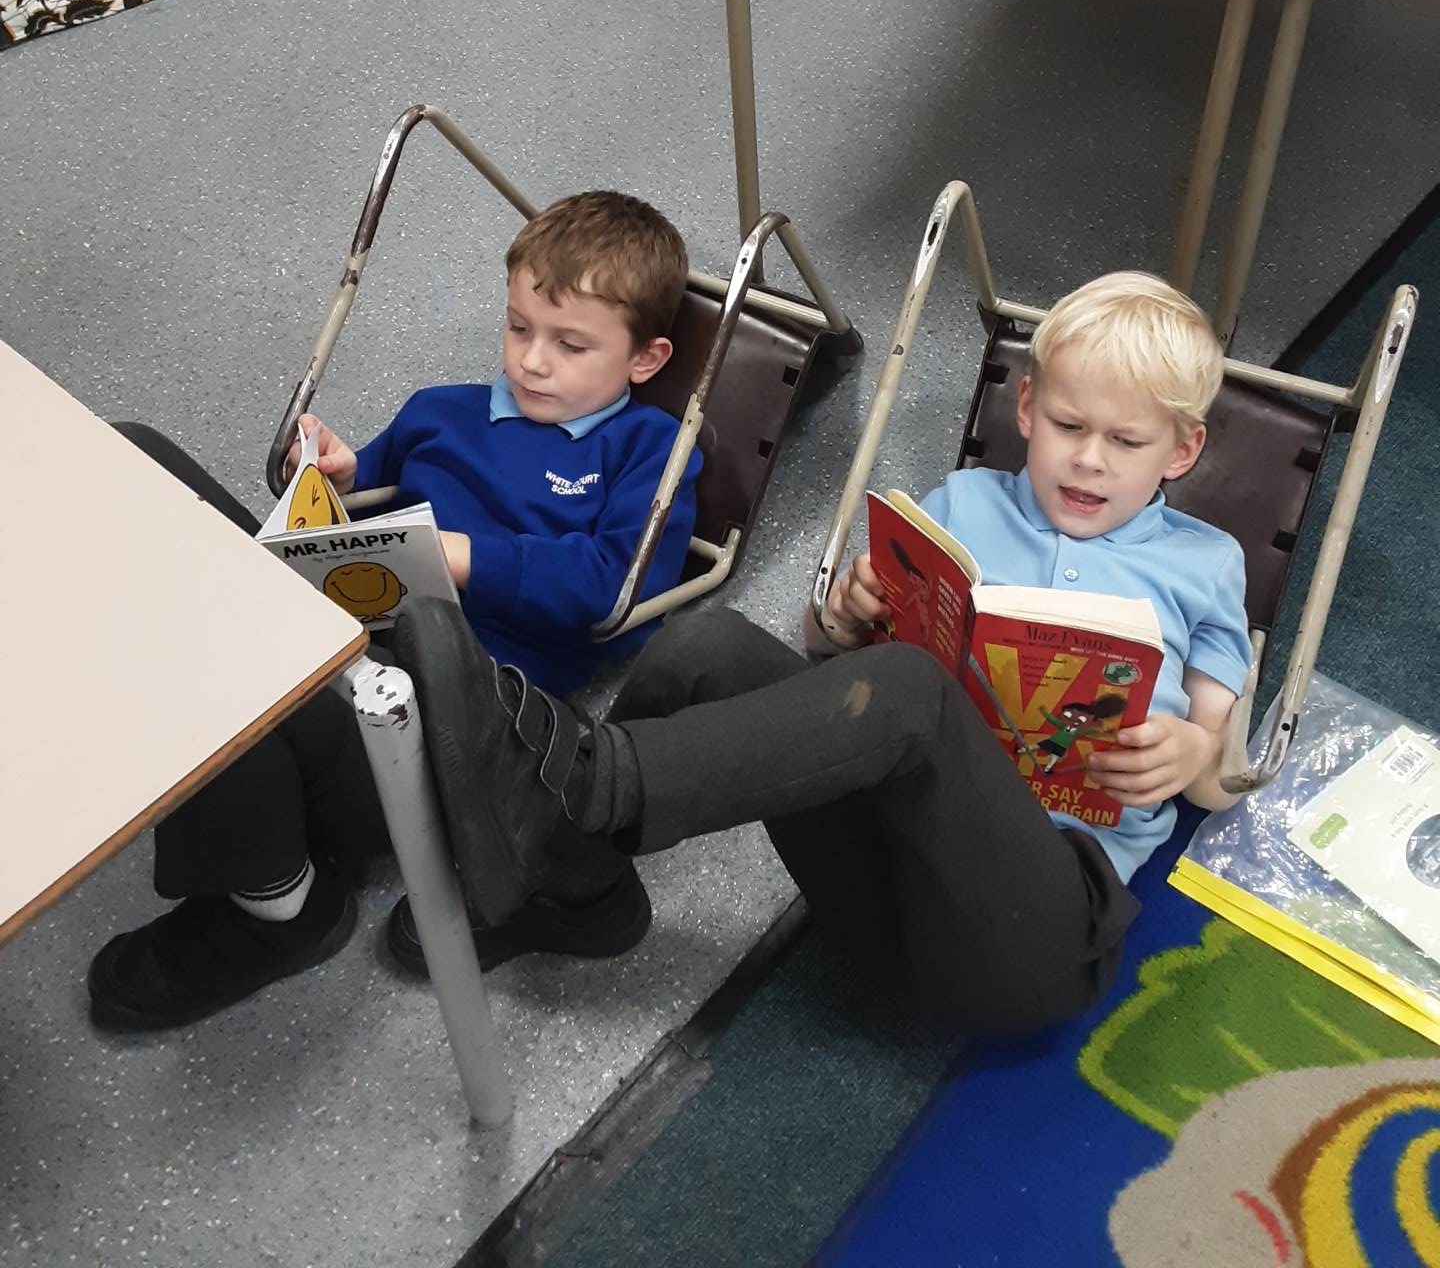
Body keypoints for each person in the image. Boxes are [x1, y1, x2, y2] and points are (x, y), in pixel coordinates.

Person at [392, 271, 1252, 1039]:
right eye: (1067, 425)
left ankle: (575, 786)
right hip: (880, 874)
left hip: (1031, 935)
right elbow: (825, 660)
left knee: (913, 693)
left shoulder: (1204, 564)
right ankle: (574, 884)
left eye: (1127, 443)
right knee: (707, 644)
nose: (1089, 460)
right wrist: (843, 615)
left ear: (1181, 451)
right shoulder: (960, 506)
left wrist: (1193, 755)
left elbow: (1222, 774)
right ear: (1025, 408)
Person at [87, 191, 701, 1030]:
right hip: (342, 629)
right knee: (132, 458)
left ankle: (278, 908)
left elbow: (611, 589)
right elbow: (364, 503)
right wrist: (338, 477)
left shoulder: (650, 450)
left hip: (437, 723)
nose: (531, 362)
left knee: (226, 659)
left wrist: (459, 555)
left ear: (645, 359)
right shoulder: (439, 410)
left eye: (570, 345)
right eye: (518, 327)